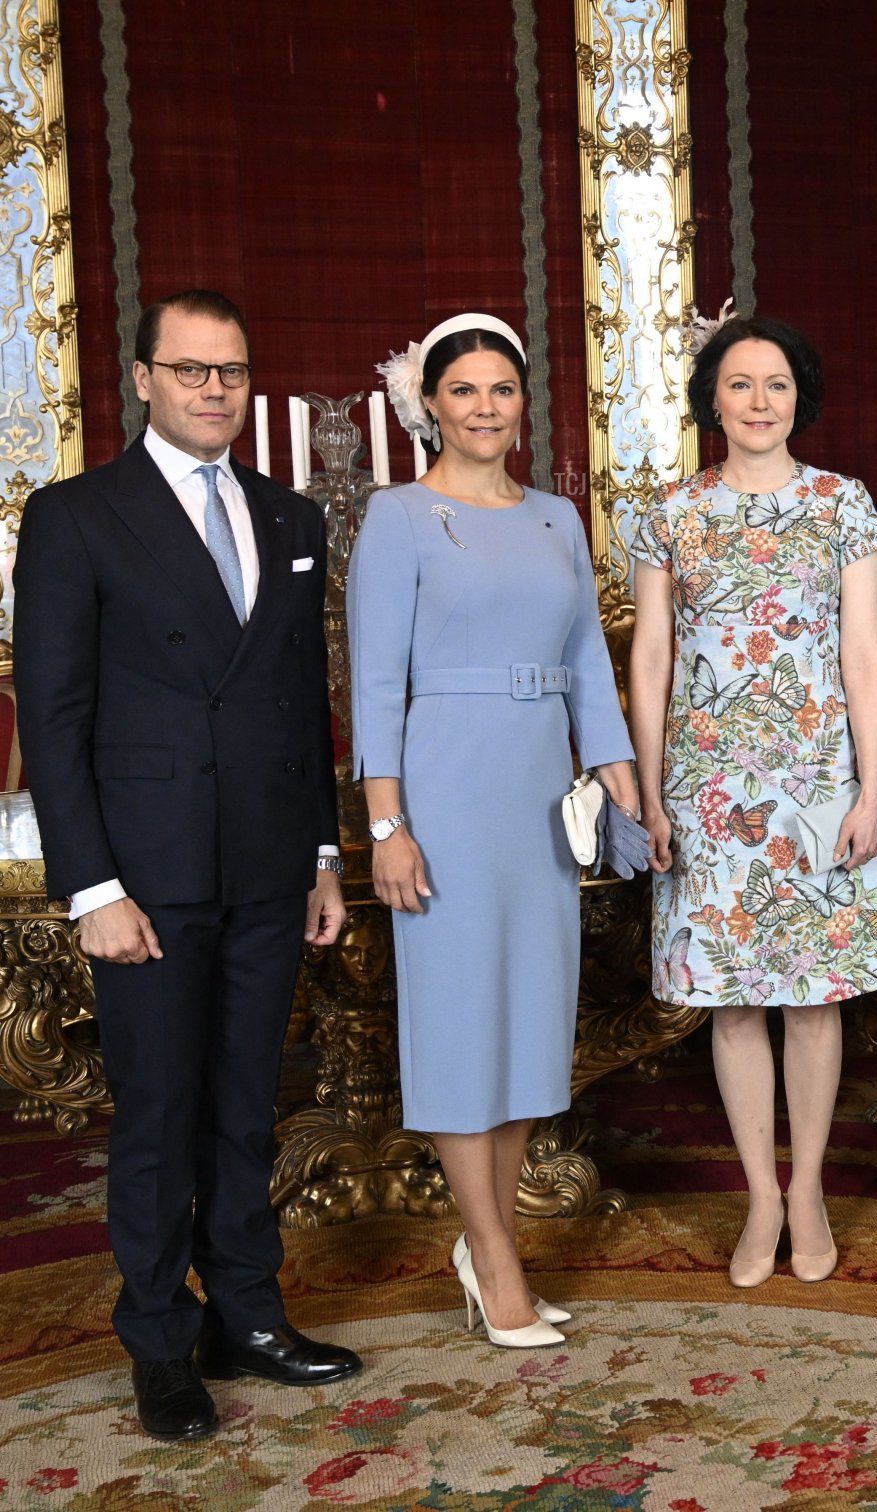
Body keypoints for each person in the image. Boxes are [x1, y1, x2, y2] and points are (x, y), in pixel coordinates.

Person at [13, 289, 361, 1443]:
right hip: (146, 880)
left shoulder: (291, 517)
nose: (216, 389)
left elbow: (303, 707)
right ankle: (160, 1341)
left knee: (249, 1106)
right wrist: (92, 888)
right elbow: (52, 719)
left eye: (233, 371)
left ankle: (249, 1317)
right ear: (144, 380)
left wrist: (322, 854)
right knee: (158, 1115)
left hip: (269, 863)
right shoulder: (75, 516)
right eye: (194, 370)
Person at [349, 313, 643, 1348]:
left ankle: (487, 1241)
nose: (484, 408)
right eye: (463, 390)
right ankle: (497, 1257)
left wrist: (623, 787)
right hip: (445, 789)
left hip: (536, 796)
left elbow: (590, 673)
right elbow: (377, 684)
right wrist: (387, 824)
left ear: (526, 404)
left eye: (502, 391)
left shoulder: (561, 519)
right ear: (428, 401)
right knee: (460, 1023)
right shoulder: (397, 517)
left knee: (526, 1024)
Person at [628, 313, 877, 1288]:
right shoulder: (672, 514)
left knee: (816, 1001)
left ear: (799, 398)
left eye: (775, 384)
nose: (757, 402)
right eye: (739, 384)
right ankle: (761, 1198)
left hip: (820, 785)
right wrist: (651, 794)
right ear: (713, 401)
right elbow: (650, 657)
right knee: (734, 1003)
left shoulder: (842, 506)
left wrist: (871, 787)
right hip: (707, 792)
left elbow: (864, 655)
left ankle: (811, 1188)